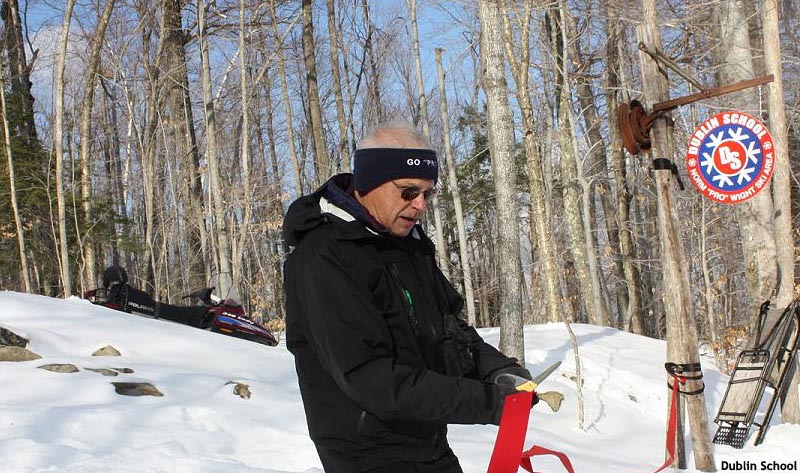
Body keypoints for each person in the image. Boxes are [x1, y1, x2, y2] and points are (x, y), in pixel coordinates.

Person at [282, 122, 535, 473]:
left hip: (424, 441)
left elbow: (451, 329)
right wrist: (489, 402)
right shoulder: (324, 257)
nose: (420, 205)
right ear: (369, 182)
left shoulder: (408, 246)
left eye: (427, 194)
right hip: (367, 453)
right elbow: (369, 376)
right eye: (408, 191)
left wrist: (499, 371)